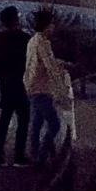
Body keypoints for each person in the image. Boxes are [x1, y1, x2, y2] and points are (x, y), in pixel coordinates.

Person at [23, 9, 64, 164]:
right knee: (54, 124)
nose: (53, 27)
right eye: (52, 24)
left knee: (37, 122)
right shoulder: (44, 43)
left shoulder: (32, 40)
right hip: (41, 88)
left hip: (31, 86)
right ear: (47, 25)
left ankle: (35, 153)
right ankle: (42, 155)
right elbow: (49, 66)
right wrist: (60, 89)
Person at [0, 6, 28, 166]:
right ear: (15, 19)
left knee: (4, 118)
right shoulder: (24, 38)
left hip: (6, 82)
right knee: (23, 119)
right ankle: (19, 155)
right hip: (21, 82)